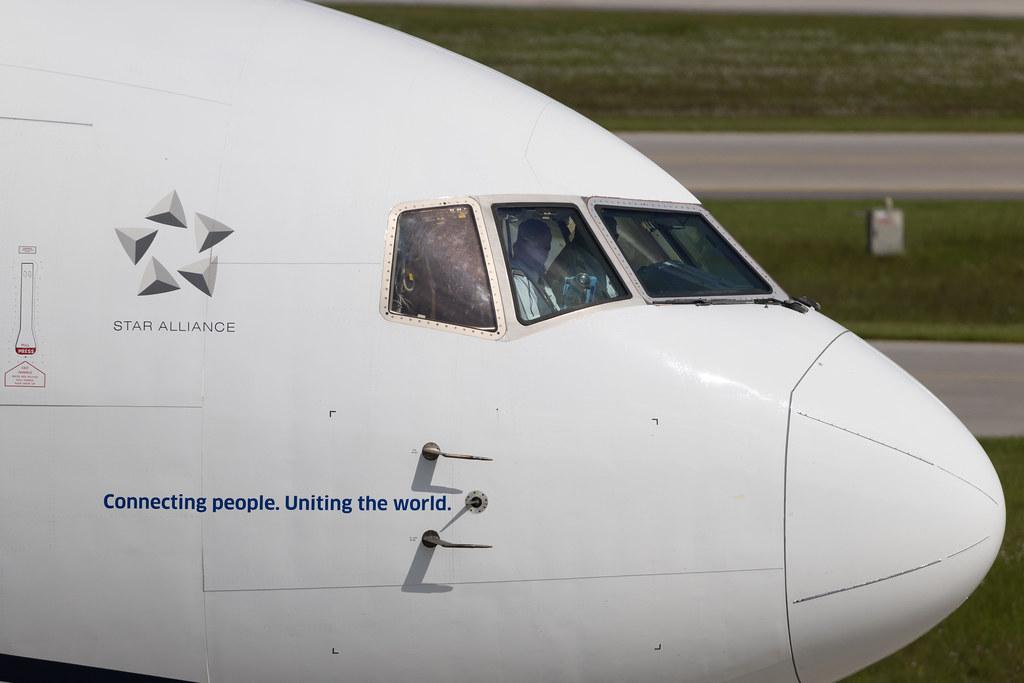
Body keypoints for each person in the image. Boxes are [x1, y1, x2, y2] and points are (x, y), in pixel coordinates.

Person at [509, 218, 558, 321]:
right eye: (540, 246)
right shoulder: (517, 281)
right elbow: (534, 324)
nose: (545, 252)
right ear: (519, 246)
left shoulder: (536, 275)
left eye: (547, 247)